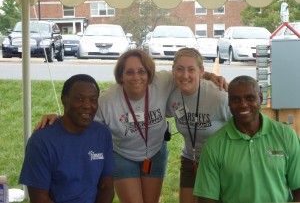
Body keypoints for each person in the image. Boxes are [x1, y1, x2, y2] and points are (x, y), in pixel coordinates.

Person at [36, 49, 226, 203]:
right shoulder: (108, 100)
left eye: (142, 71)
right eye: (129, 72)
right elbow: (83, 116)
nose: (137, 77)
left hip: (154, 153)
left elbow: (188, 72)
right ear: (120, 75)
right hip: (123, 155)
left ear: (149, 73)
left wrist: (210, 76)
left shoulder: (162, 81)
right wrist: (59, 117)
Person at [193, 75, 300, 203]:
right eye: (236, 100)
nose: (243, 105)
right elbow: (207, 199)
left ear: (260, 98)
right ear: (229, 103)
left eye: (249, 98)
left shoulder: (286, 136)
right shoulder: (214, 145)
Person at [19, 74, 115, 203]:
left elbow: (107, 187)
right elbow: (39, 198)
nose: (87, 105)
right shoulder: (41, 141)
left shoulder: (102, 134)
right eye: (79, 99)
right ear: (64, 100)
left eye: (93, 100)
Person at [166, 48, 231, 203]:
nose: (185, 75)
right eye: (179, 69)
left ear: (201, 70)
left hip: (220, 163)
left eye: (191, 69)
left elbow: (241, 126)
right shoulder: (172, 96)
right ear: (173, 70)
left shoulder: (219, 96)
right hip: (191, 159)